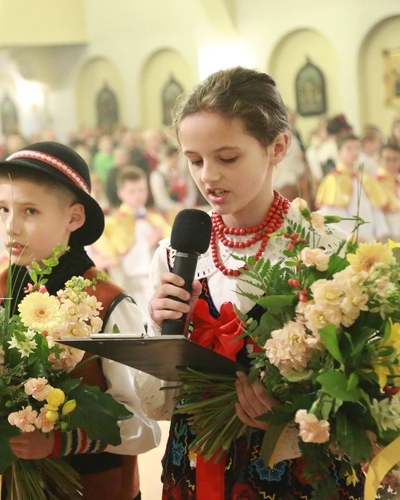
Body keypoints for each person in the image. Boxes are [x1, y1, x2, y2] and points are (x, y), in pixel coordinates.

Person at [145, 66, 363, 499]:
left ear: (277, 146)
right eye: (194, 160)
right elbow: (157, 402)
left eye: (227, 158)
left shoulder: (325, 250)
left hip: (299, 466)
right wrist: (161, 329)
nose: (208, 175)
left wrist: (293, 406)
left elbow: (362, 381)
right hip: (197, 457)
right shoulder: (176, 255)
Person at [0, 141, 161, 499]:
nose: (10, 227)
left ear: (73, 217)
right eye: (3, 210)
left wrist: (60, 439)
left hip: (92, 488)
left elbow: (145, 426)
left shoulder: (108, 303)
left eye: (29, 211)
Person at [93, 165, 170, 326]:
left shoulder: (154, 218)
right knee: (132, 316)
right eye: (132, 191)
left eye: (141, 190)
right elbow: (110, 246)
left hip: (152, 274)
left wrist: (156, 241)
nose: (138, 196)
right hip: (128, 276)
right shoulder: (114, 222)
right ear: (121, 193)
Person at [315, 132, 389, 242]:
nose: (354, 152)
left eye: (357, 148)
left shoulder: (365, 178)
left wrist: (380, 232)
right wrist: (352, 235)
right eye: (349, 149)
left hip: (370, 238)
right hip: (349, 241)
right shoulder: (333, 180)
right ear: (339, 152)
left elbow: (375, 208)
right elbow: (331, 214)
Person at [376, 143, 400, 241]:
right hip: (388, 230)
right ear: (380, 160)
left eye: (395, 160)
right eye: (387, 159)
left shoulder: (397, 178)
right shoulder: (375, 183)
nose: (391, 163)